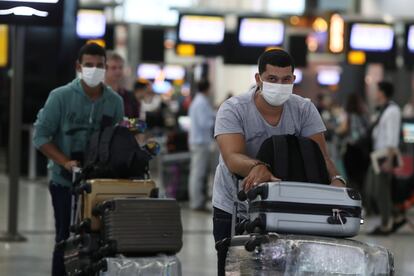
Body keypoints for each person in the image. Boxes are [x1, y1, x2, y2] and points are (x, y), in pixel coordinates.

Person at [212, 49, 345, 276]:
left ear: (293, 80)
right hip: (235, 205)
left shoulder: (303, 109)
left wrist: (336, 181)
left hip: (286, 206)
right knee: (234, 267)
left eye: (286, 80)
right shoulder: (233, 109)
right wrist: (257, 167)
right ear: (258, 79)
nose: (279, 84)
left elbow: (322, 157)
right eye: (272, 79)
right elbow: (232, 157)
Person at [33, 43, 124, 276]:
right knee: (65, 237)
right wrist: (64, 161)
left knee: (102, 239)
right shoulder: (60, 97)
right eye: (89, 65)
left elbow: (116, 140)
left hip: (100, 186)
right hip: (64, 183)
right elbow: (41, 136)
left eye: (99, 65)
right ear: (79, 66)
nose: (95, 69)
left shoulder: (114, 102)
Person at [365, 81, 402, 235]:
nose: (375, 93)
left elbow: (392, 135)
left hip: (385, 155)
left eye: (377, 90)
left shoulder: (392, 110)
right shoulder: (383, 109)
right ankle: (396, 215)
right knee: (372, 190)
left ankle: (386, 224)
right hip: (377, 155)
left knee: (380, 191)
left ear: (382, 92)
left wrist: (389, 159)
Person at [188, 79, 215, 211]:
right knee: (198, 174)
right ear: (207, 88)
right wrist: (215, 120)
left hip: (200, 142)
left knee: (199, 173)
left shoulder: (200, 101)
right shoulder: (201, 103)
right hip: (200, 142)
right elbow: (205, 123)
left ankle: (198, 201)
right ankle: (196, 203)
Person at [341, 93, 369, 192]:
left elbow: (343, 131)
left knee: (351, 179)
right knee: (361, 179)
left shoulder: (347, 115)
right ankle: (362, 201)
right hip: (362, 151)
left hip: (351, 150)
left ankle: (352, 200)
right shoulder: (364, 116)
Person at [105, 51, 140, 118]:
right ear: (104, 69)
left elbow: (139, 124)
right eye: (113, 68)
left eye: (120, 68)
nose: (118, 71)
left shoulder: (130, 97)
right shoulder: (97, 95)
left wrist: (122, 123)